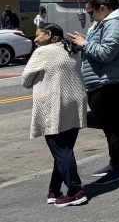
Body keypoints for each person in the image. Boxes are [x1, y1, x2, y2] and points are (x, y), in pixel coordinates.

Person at [69, 0, 119, 185]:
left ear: (103, 8)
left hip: (109, 82)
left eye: (90, 12)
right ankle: (116, 163)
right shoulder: (102, 23)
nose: (90, 16)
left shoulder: (115, 25)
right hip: (100, 81)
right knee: (109, 126)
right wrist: (82, 42)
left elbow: (106, 53)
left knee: (113, 126)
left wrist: (85, 43)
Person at [21, 23, 88, 207]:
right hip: (75, 103)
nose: (34, 39)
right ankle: (54, 190)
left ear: (49, 34)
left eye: (37, 35)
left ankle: (75, 190)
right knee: (64, 149)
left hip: (55, 104)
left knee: (61, 149)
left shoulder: (43, 51)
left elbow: (25, 80)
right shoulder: (71, 48)